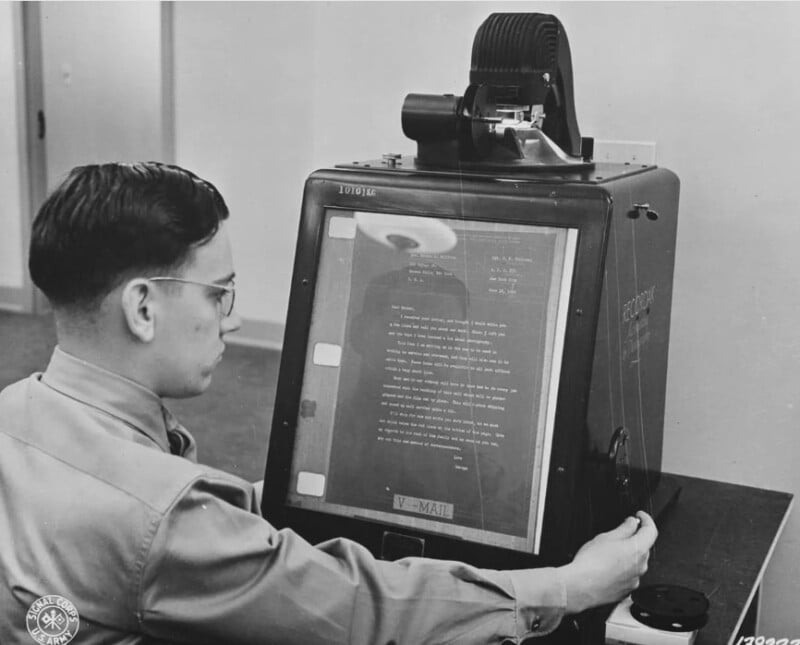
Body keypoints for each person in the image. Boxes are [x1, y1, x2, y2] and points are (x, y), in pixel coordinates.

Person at [0, 162, 657, 644]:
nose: (229, 320)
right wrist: (571, 586)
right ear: (143, 307)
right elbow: (363, 611)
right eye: (217, 294)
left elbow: (173, 515)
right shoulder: (165, 523)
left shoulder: (16, 414)